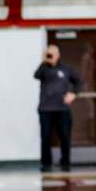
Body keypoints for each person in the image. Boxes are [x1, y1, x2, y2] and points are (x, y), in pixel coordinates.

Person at [33, 44, 81, 172]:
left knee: (65, 136)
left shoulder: (66, 69)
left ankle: (65, 161)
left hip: (62, 109)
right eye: (48, 53)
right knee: (45, 137)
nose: (50, 56)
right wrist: (44, 61)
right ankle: (46, 163)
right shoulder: (43, 69)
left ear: (58, 55)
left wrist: (74, 94)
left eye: (52, 53)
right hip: (45, 109)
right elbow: (36, 75)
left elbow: (78, 81)